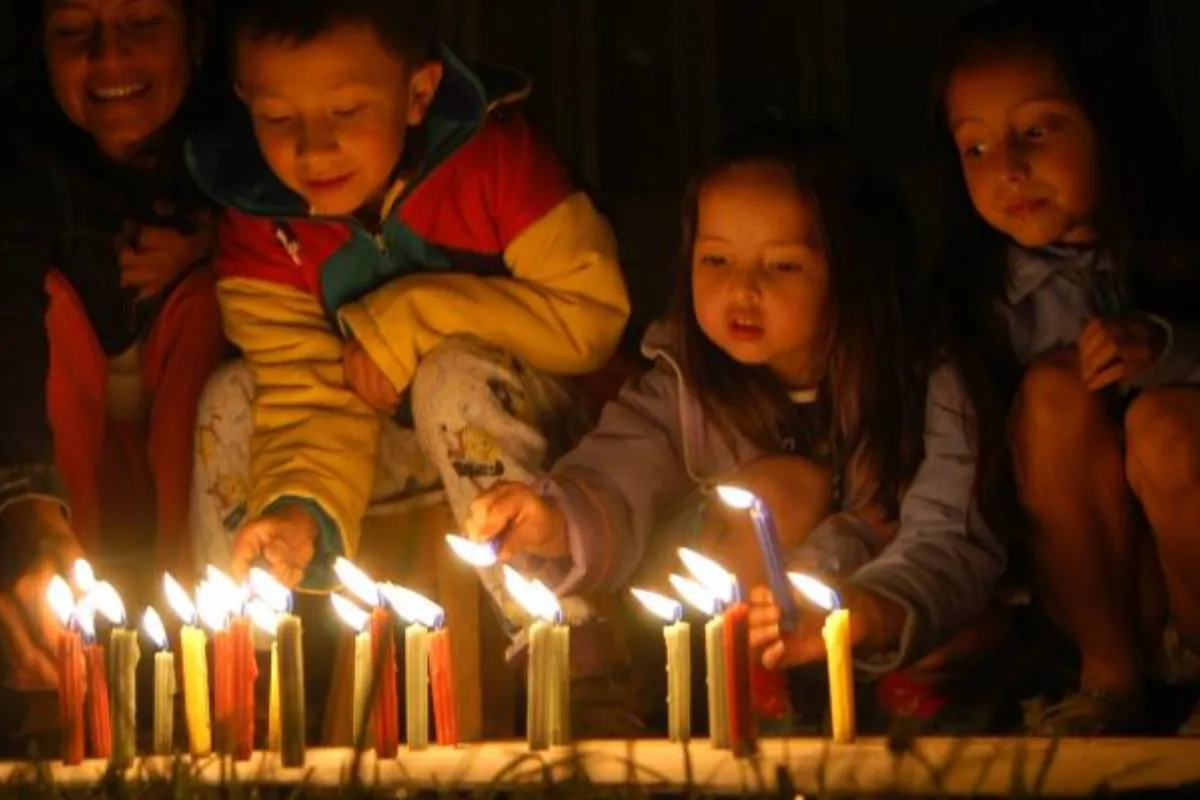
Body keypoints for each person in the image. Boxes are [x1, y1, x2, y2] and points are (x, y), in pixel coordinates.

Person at [184, 0, 634, 732]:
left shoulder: (494, 159)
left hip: (547, 432)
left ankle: (574, 653)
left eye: (347, 111)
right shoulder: (259, 224)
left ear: (418, 93)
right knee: (231, 397)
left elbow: (590, 316)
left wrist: (411, 320)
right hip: (374, 444)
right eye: (278, 120)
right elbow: (305, 394)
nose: (312, 149)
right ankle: (233, 691)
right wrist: (298, 505)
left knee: (449, 375)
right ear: (245, 103)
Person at [468, 117, 1005, 720]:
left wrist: (873, 609)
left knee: (965, 622)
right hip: (732, 631)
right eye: (717, 260)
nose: (741, 289)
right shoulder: (685, 384)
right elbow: (619, 471)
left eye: (781, 266)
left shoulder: (927, 380)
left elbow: (949, 538)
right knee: (778, 491)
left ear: (852, 270)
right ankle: (753, 706)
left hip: (873, 616)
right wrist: (554, 517)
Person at [926, 0, 1200, 734]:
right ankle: (1109, 683)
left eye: (1037, 131)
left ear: (1108, 123)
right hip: (1099, 600)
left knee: (1168, 421)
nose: (1008, 169)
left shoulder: (1181, 249)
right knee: (1052, 389)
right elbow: (952, 487)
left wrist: (1168, 349)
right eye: (976, 148)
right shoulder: (977, 307)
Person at [0, 0, 226, 693]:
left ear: (194, 36)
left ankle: (206, 674)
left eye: (141, 24)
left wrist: (217, 242)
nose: (109, 58)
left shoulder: (249, 151)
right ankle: (63, 673)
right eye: (74, 31)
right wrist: (32, 519)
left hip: (189, 456)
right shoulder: (20, 173)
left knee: (213, 305)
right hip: (57, 451)